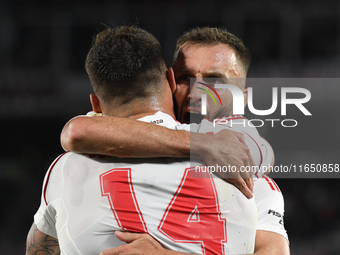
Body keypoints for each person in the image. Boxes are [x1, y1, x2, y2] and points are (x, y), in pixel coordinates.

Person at [26, 26, 262, 255]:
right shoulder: (228, 150)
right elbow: (77, 131)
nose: (197, 92)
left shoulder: (63, 169)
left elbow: (77, 131)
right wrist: (202, 144)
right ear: (171, 81)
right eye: (186, 78)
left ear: (95, 104)